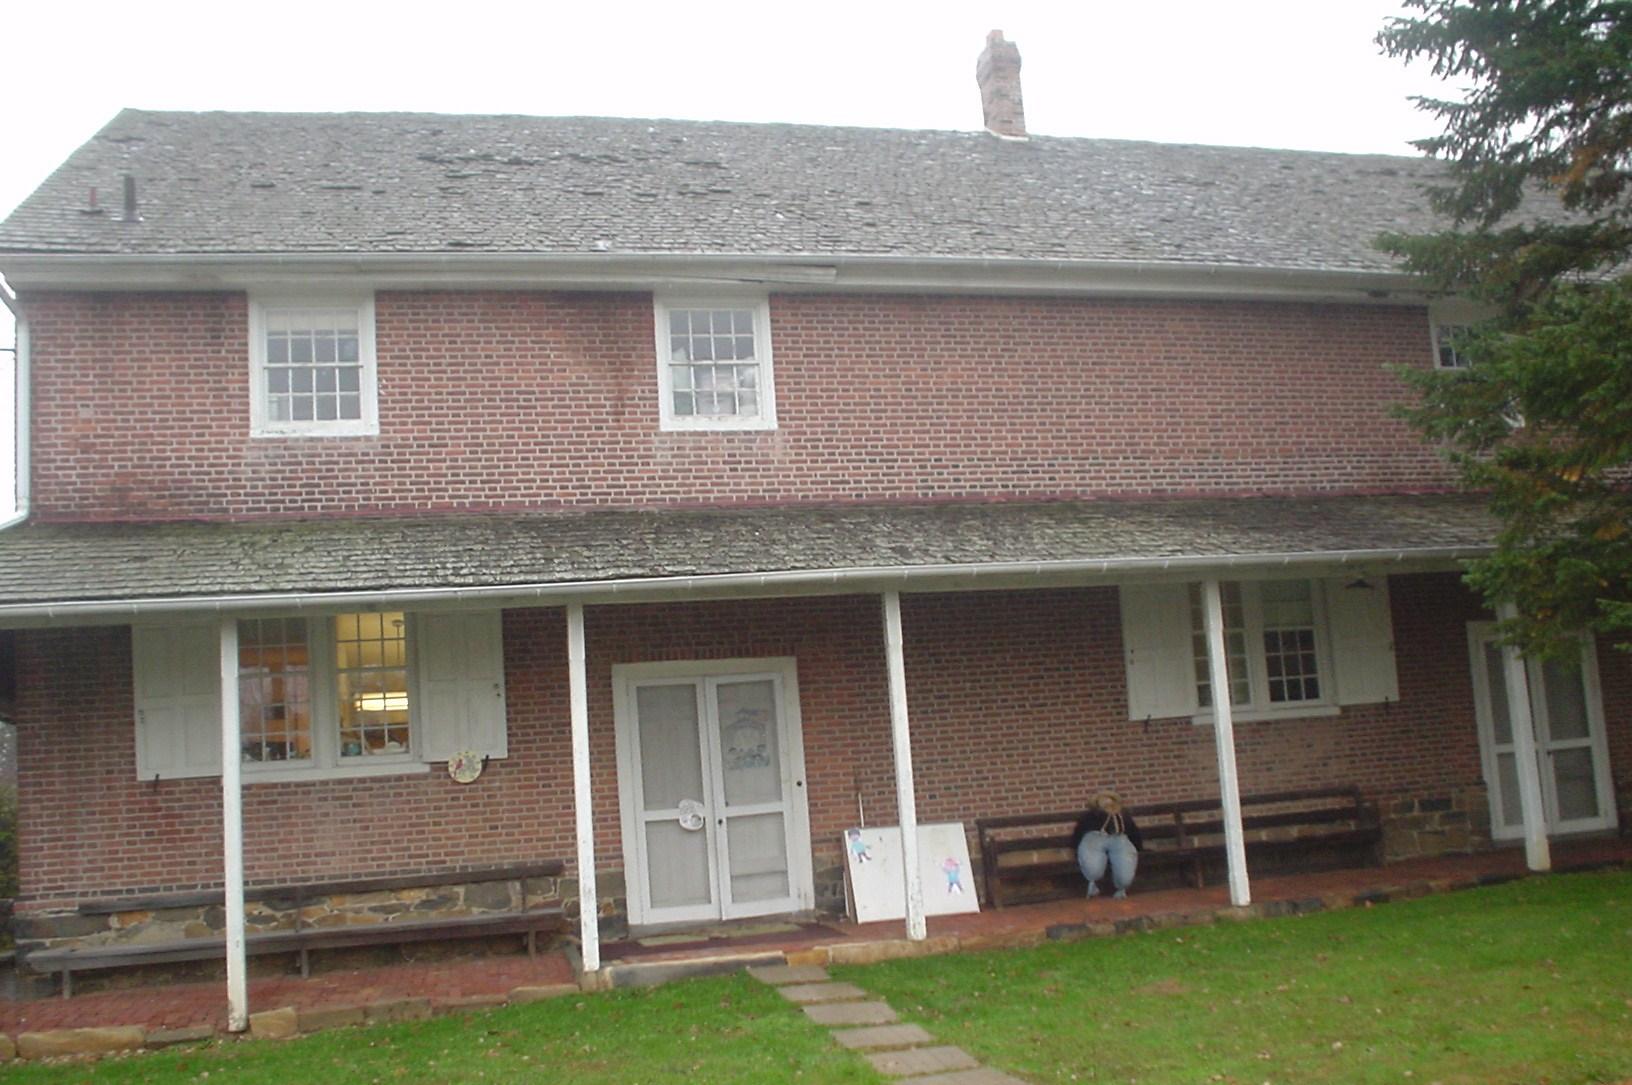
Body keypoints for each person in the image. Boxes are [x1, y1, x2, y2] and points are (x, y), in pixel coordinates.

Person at [1072, 791, 1142, 900]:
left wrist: (1137, 848)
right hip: (1094, 840)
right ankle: (1093, 885)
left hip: (1119, 840)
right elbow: (1078, 834)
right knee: (1093, 869)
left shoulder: (1123, 816)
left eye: (1111, 801)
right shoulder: (1088, 817)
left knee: (1125, 875)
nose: (1108, 804)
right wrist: (1076, 850)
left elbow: (1133, 833)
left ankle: (1121, 888)